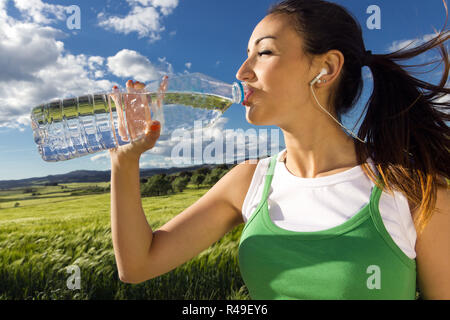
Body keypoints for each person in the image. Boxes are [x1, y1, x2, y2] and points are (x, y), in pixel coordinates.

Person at [109, 0, 450, 299]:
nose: (242, 72)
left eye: (265, 52)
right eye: (246, 56)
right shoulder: (247, 182)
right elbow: (138, 265)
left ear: (326, 68)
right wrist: (125, 162)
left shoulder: (417, 194)